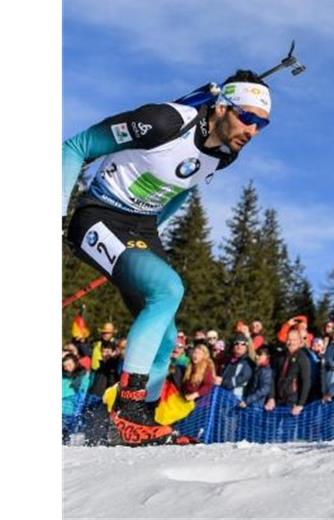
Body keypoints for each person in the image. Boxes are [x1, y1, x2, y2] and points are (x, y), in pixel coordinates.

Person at [62, 69, 273, 445]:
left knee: (165, 338)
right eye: (247, 117)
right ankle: (129, 409)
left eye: (262, 124)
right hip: (98, 215)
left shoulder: (225, 155)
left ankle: (140, 422)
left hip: (140, 229)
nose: (252, 131)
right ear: (221, 107)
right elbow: (75, 147)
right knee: (168, 289)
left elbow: (183, 187)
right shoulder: (161, 122)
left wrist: (152, 227)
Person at [266, 328, 312, 416]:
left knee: (289, 428)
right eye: (289, 339)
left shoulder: (303, 359)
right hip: (278, 400)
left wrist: (300, 404)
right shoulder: (280, 356)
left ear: (299, 341)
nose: (291, 343)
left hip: (292, 401)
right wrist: (271, 397)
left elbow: (306, 382)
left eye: (294, 340)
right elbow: (272, 377)